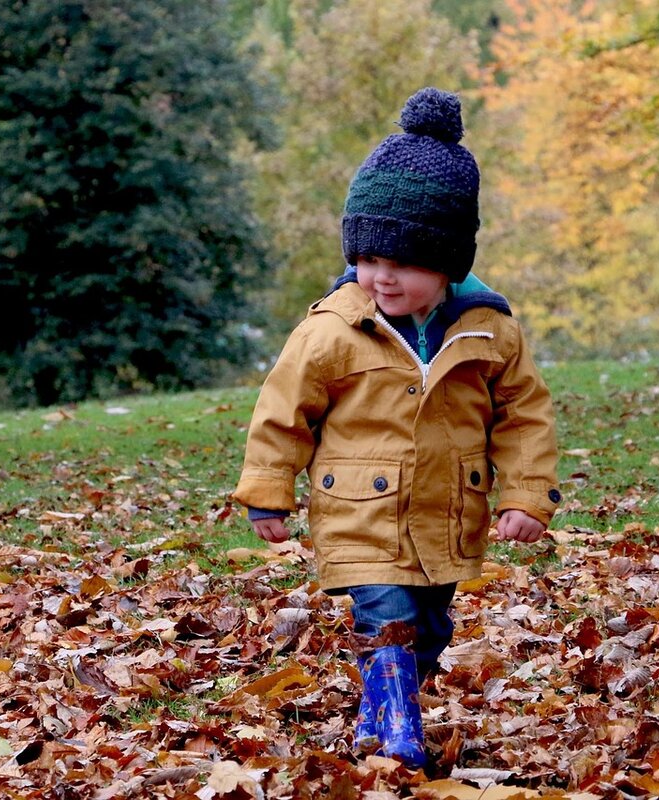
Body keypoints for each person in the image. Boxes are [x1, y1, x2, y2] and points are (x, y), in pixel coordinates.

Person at [232, 87, 560, 769]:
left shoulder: (489, 331)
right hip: (358, 511)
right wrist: (268, 487)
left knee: (432, 627)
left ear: (446, 262)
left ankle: (379, 716)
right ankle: (401, 732)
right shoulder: (333, 330)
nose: (381, 276)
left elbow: (524, 416)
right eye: (369, 259)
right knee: (387, 618)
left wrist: (526, 496)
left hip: (447, 516)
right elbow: (284, 406)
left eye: (402, 263)